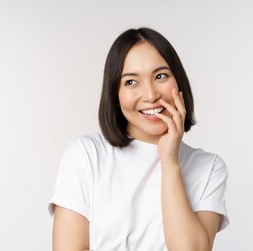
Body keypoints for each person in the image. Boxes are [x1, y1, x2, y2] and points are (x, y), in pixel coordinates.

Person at [48, 27, 229, 251]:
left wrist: (169, 162)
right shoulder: (86, 155)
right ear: (115, 94)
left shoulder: (209, 167)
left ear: (179, 82)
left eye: (160, 76)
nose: (151, 95)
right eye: (131, 82)